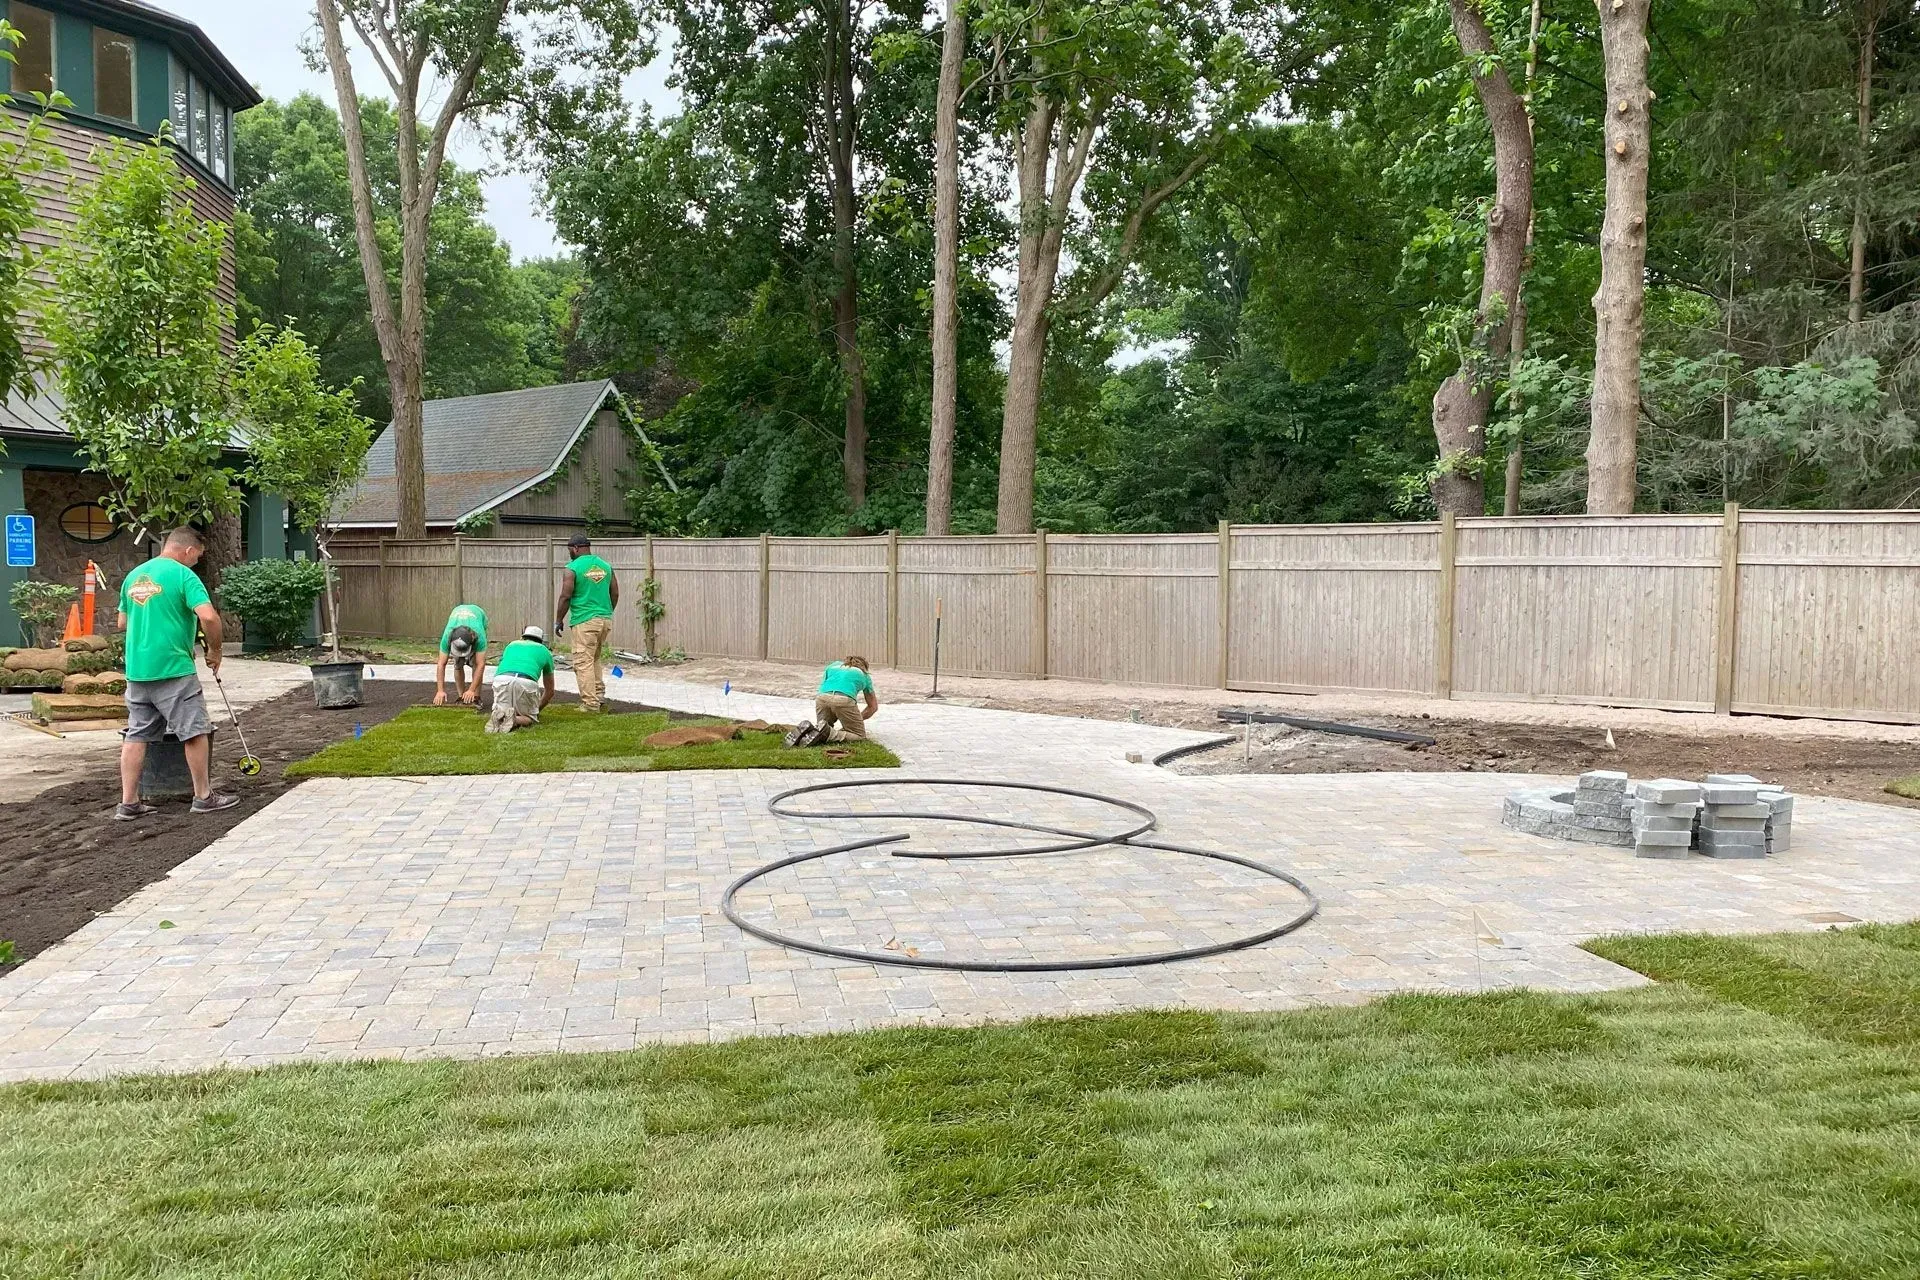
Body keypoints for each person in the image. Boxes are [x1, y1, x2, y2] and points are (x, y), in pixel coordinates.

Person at [113, 527, 238, 819]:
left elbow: (122, 622)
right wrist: (215, 650)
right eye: (198, 556)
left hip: (138, 670)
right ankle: (203, 796)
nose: (197, 561)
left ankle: (128, 803)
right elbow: (209, 617)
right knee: (194, 731)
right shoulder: (184, 576)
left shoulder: (134, 576)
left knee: (136, 735)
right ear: (189, 550)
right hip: (174, 668)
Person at [554, 533, 618, 712]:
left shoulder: (572, 568)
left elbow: (565, 596)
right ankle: (599, 695)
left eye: (569, 550)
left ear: (575, 548)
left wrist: (558, 620)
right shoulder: (606, 566)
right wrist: (607, 611)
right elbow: (615, 593)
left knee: (583, 661)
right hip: (604, 620)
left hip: (585, 621)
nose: (569, 553)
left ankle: (590, 704)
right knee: (594, 658)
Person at [788, 655, 880, 746]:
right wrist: (856, 720)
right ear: (864, 666)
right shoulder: (864, 674)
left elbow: (824, 684)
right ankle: (829, 733)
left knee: (821, 728)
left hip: (822, 698)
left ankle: (807, 730)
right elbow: (873, 707)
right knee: (859, 736)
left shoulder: (833, 666)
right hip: (843, 700)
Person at [486, 625, 556, 733]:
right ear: (541, 640)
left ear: (523, 637)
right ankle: (514, 720)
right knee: (529, 718)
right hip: (526, 681)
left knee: (503, 710)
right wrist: (535, 710)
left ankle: (499, 716)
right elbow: (550, 691)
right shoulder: (545, 651)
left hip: (502, 679)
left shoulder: (511, 645)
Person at [433, 602, 490, 705]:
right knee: (458, 664)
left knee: (476, 663)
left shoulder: (479, 636)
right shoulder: (447, 636)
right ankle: (461, 697)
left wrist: (471, 690)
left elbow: (481, 665)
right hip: (457, 612)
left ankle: (476, 697)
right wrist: (440, 691)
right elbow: (441, 664)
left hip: (478, 615)